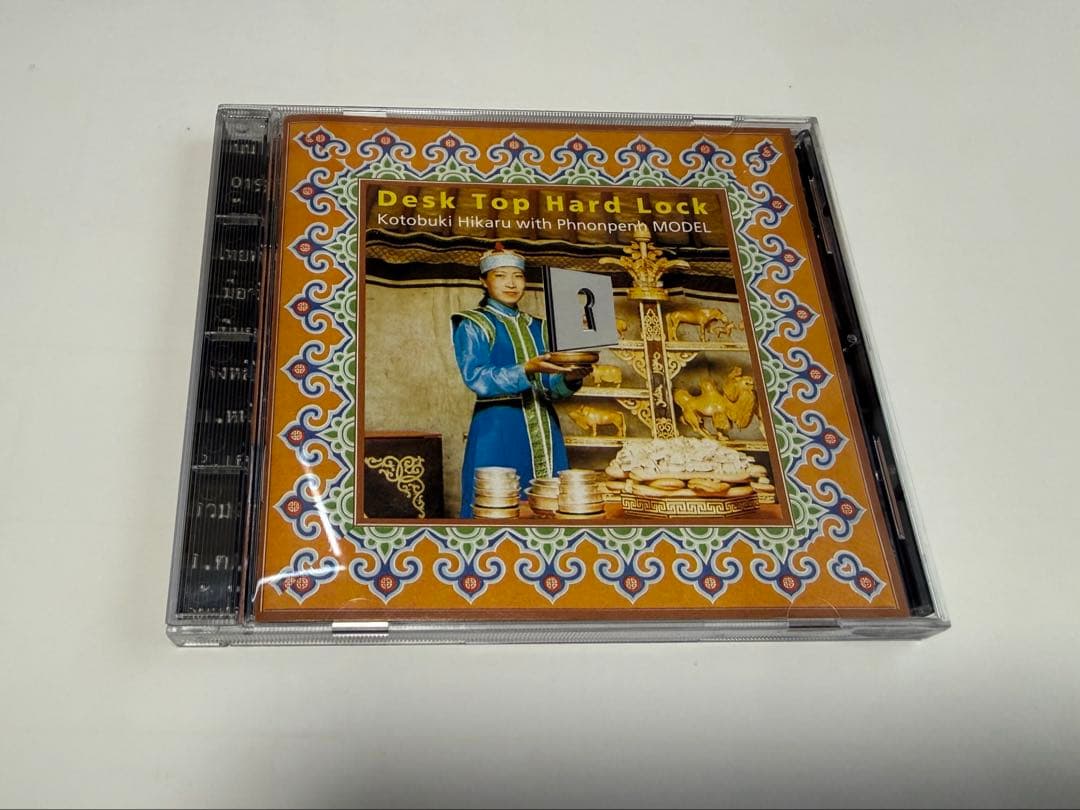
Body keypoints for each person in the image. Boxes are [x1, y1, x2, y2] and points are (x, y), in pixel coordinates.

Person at [451, 244, 587, 517]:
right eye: (500, 276)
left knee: (552, 509)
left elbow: (551, 390)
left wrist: (569, 378)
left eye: (518, 276)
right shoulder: (474, 324)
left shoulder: (541, 327)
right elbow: (476, 377)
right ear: (484, 281)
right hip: (497, 426)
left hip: (545, 426)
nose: (511, 284)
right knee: (495, 508)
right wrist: (525, 369)